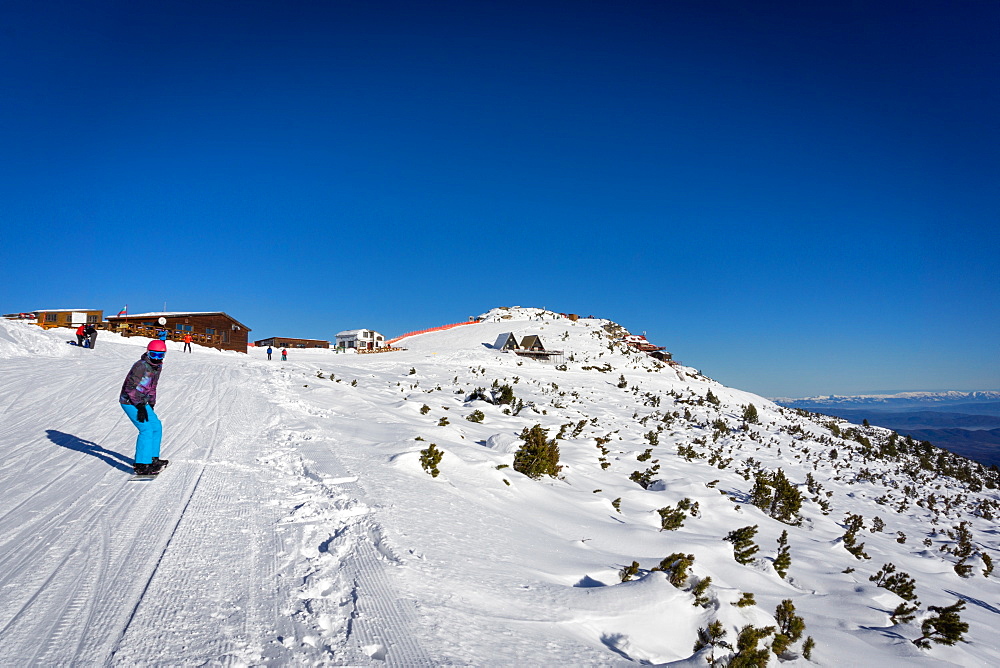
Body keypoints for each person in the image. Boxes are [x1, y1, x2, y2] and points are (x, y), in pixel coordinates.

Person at [120, 340, 169, 475]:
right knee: (146, 429)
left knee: (156, 426)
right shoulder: (140, 366)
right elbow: (129, 388)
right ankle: (141, 465)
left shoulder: (157, 367)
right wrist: (140, 405)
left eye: (160, 356)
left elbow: (152, 386)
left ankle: (152, 459)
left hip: (143, 402)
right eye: (153, 355)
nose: (156, 359)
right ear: (148, 353)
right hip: (129, 401)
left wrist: (151, 403)